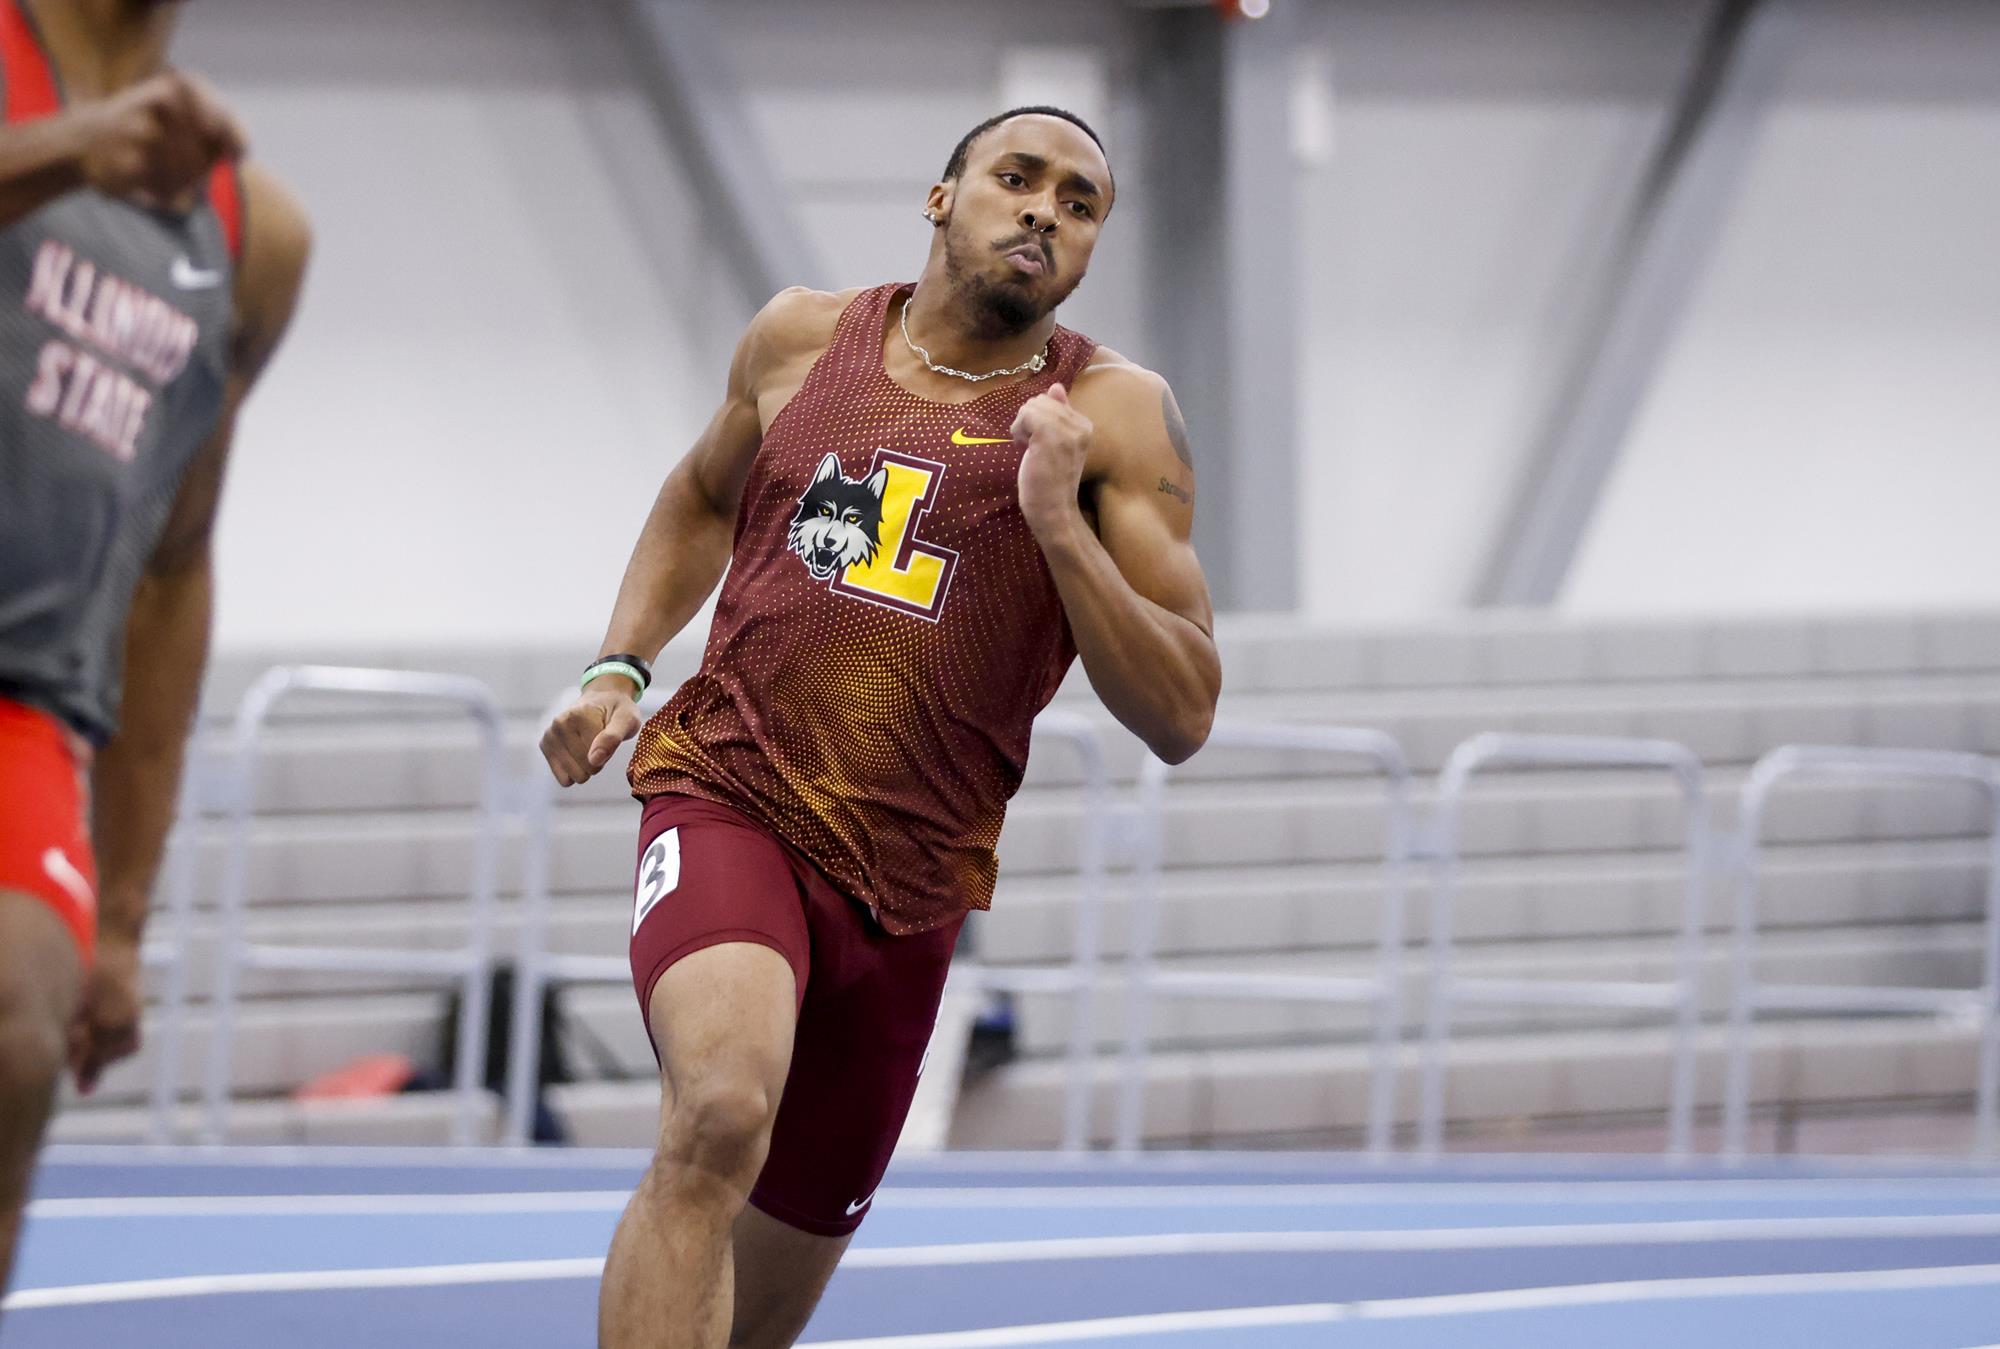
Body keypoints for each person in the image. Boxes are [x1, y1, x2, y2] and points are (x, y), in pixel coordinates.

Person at [541, 105, 1219, 1348]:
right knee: (720, 1115)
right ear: (940, 196)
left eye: (1079, 205)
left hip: (909, 890)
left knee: (757, 1314)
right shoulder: (801, 336)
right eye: (1017, 180)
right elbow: (701, 495)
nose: (1043, 213)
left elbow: (1182, 707)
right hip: (727, 791)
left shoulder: (1114, 416)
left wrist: (1060, 526)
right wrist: (618, 663)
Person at [0, 0, 310, 1298]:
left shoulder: (249, 228)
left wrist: (123, 914)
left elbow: (175, 563)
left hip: (26, 707)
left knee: (14, 1038)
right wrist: (66, 152)